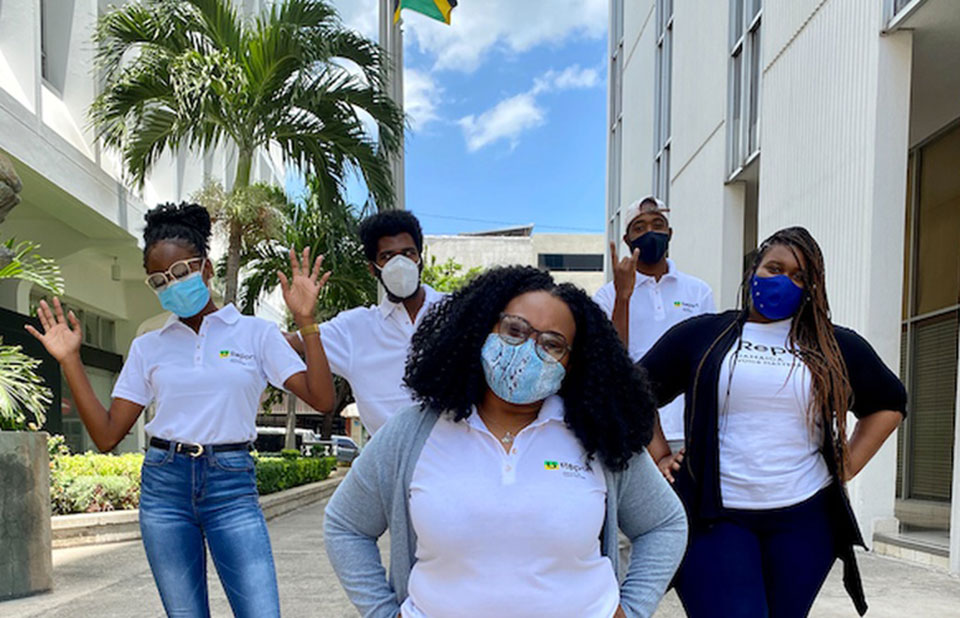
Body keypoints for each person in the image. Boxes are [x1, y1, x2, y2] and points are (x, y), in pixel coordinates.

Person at [324, 266, 688, 618]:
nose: (528, 350)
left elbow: (664, 524)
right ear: (482, 327)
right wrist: (383, 612)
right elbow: (345, 524)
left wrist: (633, 609)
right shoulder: (413, 433)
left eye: (552, 344)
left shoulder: (598, 435)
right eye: (515, 329)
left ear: (572, 363)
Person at [27, 203, 335, 618]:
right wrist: (70, 361)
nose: (171, 285)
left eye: (180, 272)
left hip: (231, 486)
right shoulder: (148, 346)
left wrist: (306, 321)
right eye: (159, 280)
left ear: (206, 267)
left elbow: (322, 399)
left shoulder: (255, 334)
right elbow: (106, 435)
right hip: (165, 487)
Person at [641, 227, 906, 618]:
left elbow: (889, 402)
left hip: (805, 521)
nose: (784, 281)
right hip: (715, 518)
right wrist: (661, 454)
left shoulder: (833, 345)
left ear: (811, 288)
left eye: (799, 276)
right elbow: (634, 389)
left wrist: (847, 465)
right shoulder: (704, 334)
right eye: (775, 268)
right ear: (754, 271)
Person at [286, 210, 445, 435]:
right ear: (372, 268)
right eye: (387, 257)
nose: (400, 264)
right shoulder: (354, 329)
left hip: (460, 454)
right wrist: (304, 318)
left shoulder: (459, 311)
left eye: (408, 253)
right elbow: (289, 341)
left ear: (420, 259)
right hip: (391, 456)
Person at [594, 195, 715, 453]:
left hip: (688, 429)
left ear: (670, 233)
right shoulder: (606, 296)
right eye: (639, 227)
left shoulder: (698, 291)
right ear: (627, 240)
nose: (650, 232)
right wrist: (623, 298)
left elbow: (707, 360)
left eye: (658, 225)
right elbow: (611, 359)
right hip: (632, 429)